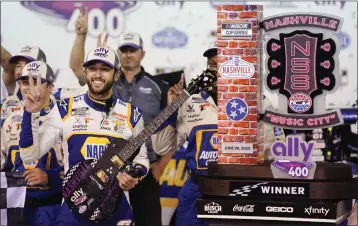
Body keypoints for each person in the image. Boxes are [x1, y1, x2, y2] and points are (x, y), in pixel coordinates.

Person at [19, 46, 149, 226]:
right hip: (73, 214)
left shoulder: (132, 114)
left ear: (117, 74)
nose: (98, 75)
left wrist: (133, 174)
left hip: (118, 212)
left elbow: (141, 158)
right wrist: (29, 114)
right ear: (85, 71)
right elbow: (29, 155)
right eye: (93, 68)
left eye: (104, 69)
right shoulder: (64, 109)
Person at [152, 42, 277, 225]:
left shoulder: (258, 102)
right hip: (196, 189)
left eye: (222, 63)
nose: (216, 70)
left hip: (240, 190)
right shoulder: (189, 100)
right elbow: (162, 146)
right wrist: (170, 109)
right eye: (212, 64)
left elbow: (273, 152)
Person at [69, 9, 168, 224]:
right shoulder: (103, 82)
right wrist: (81, 36)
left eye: (133, 49)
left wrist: (160, 166)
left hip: (145, 169)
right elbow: (77, 67)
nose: (128, 54)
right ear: (118, 53)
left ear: (142, 53)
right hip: (106, 173)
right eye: (124, 49)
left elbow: (172, 127)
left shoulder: (159, 86)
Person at [1, 61, 63, 226]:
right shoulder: (9, 121)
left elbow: (77, 171)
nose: (28, 87)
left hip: (52, 209)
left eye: (35, 81)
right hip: (14, 210)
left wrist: (49, 177)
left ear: (50, 87)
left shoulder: (65, 120)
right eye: (24, 82)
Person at [1, 45, 47, 126]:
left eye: (28, 65)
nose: (21, 71)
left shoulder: (54, 102)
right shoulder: (8, 102)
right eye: (18, 66)